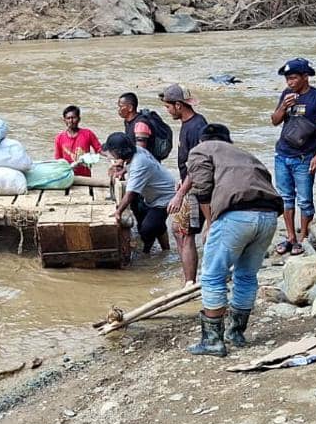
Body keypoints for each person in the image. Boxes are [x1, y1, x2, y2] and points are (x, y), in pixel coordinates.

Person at [185, 124, 284, 356]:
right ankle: (236, 333)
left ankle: (212, 341)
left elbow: (202, 189)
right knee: (246, 276)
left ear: (203, 139)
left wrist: (210, 224)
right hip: (269, 215)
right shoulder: (246, 155)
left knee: (212, 276)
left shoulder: (202, 149)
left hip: (236, 215)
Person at [269, 58, 316, 256]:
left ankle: (303, 237)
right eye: (288, 78)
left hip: (305, 157)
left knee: (305, 200)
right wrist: (283, 107)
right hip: (283, 154)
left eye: (294, 78)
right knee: (286, 198)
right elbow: (274, 121)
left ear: (306, 77)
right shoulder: (287, 95)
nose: (290, 82)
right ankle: (290, 237)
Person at [161, 84, 207, 287]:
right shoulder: (188, 124)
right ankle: (188, 275)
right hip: (189, 184)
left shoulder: (197, 127)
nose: (167, 110)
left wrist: (180, 193)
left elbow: (198, 166)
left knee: (185, 232)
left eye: (168, 106)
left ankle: (190, 282)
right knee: (177, 228)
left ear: (178, 105)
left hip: (197, 189)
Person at [103, 132, 177, 254]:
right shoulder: (137, 151)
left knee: (147, 230)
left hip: (164, 198)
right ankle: (166, 250)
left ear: (119, 152)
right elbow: (133, 167)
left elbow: (130, 193)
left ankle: (146, 253)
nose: (111, 155)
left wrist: (118, 211)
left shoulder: (139, 164)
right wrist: (124, 170)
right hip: (155, 193)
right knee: (156, 224)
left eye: (112, 152)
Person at [116, 92, 173, 161]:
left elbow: (140, 153)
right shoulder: (128, 122)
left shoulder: (141, 125)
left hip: (148, 166)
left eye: (121, 106)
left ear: (130, 108)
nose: (119, 110)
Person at [54, 105, 102, 177]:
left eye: (73, 118)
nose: (71, 121)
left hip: (85, 176)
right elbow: (58, 160)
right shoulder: (59, 138)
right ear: (64, 120)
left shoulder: (88, 134)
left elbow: (99, 149)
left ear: (79, 119)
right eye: (68, 118)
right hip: (67, 176)